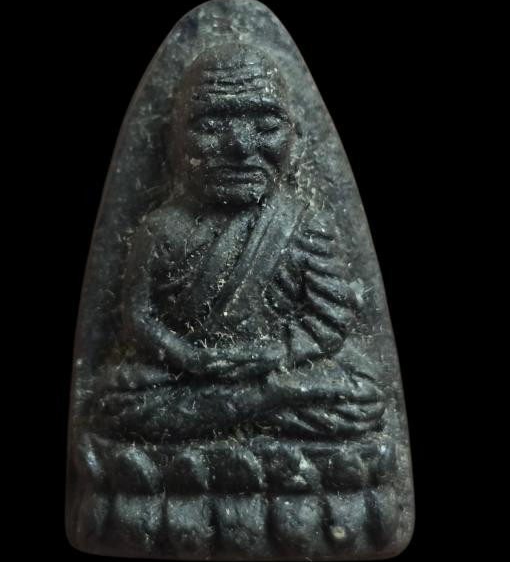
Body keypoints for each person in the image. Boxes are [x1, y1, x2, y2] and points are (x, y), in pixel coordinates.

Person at [92, 44, 385, 443]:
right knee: (115, 398)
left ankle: (234, 414)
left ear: (295, 138)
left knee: (362, 394)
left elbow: (329, 319)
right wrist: (188, 357)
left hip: (271, 369)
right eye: (211, 126)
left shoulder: (301, 225)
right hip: (190, 373)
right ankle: (256, 410)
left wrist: (271, 355)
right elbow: (139, 318)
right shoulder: (160, 228)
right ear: (171, 140)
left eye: (266, 126)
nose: (240, 146)